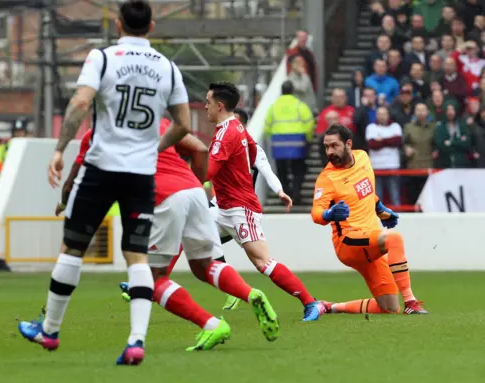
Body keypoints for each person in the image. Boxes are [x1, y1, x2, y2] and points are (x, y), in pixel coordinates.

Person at [17, 0, 191, 365]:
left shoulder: (103, 57)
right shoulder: (168, 68)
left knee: (73, 248)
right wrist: (153, 147)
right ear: (152, 27)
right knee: (137, 256)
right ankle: (136, 341)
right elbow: (185, 124)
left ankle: (49, 330)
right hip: (141, 174)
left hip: (101, 169)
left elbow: (81, 103)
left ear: (118, 24)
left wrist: (60, 149)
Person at [89, 117, 281, 350]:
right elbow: (199, 148)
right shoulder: (158, 121)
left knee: (152, 277)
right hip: (193, 190)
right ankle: (250, 294)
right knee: (204, 266)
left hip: (165, 195)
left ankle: (210, 325)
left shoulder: (106, 130)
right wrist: (196, 186)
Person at [205, 81, 325, 321]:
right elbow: (250, 151)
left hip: (240, 208)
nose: (205, 107)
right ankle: (153, 285)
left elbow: (208, 172)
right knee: (188, 234)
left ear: (219, 106)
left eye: (207, 103)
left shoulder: (227, 134)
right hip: (223, 207)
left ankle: (311, 303)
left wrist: (182, 176)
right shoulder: (237, 130)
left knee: (262, 261)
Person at [312, 124, 428, 315]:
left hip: (370, 239)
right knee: (394, 239)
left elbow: (366, 193)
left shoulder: (363, 158)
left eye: (334, 146)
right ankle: (411, 302)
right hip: (348, 241)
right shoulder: (327, 178)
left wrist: (381, 209)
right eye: (327, 147)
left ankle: (329, 306)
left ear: (348, 144)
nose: (329, 151)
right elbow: (316, 212)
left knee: (390, 307)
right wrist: (328, 214)